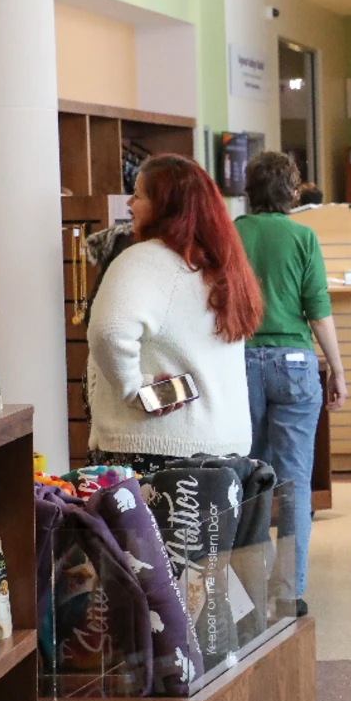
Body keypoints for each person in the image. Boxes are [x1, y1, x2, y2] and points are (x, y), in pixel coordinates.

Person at [86, 155, 263, 476]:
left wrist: (133, 389)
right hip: (227, 451)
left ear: (165, 206)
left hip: (153, 448)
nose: (129, 203)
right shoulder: (224, 265)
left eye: (138, 195)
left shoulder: (142, 260)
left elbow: (108, 331)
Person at [236, 152, 349, 615]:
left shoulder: (231, 234)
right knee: (294, 482)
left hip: (240, 361)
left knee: (249, 477)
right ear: (291, 191)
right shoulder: (303, 237)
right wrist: (337, 370)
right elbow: (317, 310)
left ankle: (249, 590)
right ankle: (287, 592)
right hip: (297, 363)